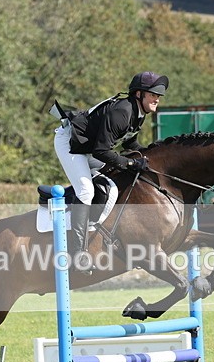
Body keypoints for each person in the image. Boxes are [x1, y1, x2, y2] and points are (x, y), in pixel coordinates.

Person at [52, 71, 169, 272]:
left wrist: (150, 152)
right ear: (139, 94)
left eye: (158, 95)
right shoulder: (122, 112)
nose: (157, 98)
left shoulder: (138, 113)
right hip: (71, 143)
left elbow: (130, 142)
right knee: (86, 191)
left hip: (88, 148)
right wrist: (131, 164)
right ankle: (77, 254)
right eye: (152, 94)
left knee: (113, 182)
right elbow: (101, 150)